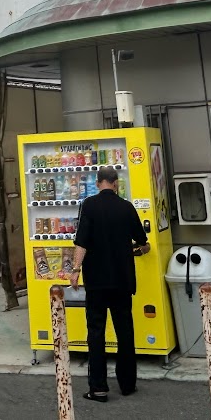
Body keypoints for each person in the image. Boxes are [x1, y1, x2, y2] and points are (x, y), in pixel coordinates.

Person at [68, 165, 150, 402]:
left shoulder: (89, 205)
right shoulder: (126, 207)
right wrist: (140, 250)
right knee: (125, 331)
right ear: (116, 183)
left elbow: (81, 242)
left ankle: (99, 388)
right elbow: (142, 242)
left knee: (96, 333)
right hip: (123, 281)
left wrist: (75, 270)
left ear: (97, 183)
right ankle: (127, 384)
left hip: (96, 282)